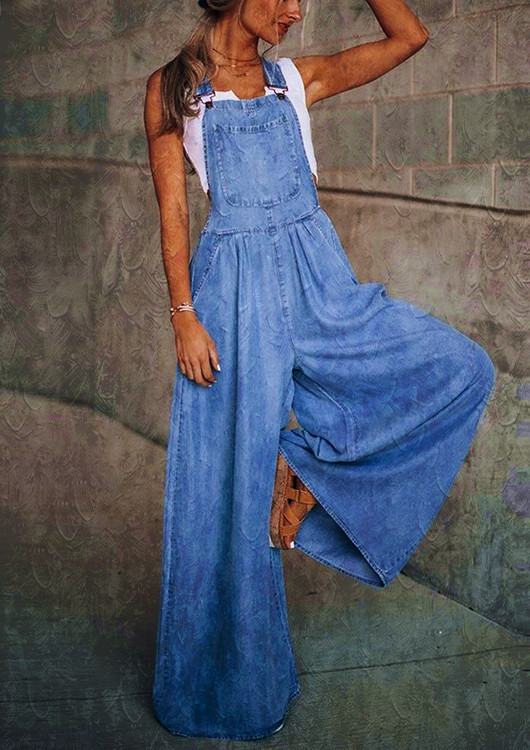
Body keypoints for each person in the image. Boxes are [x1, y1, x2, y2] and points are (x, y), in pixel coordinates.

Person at [144, 0, 495, 741]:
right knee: (222, 487)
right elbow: (173, 213)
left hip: (318, 286)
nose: (297, 10)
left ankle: (301, 481)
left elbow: (410, 36)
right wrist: (184, 316)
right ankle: (230, 692)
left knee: (461, 370)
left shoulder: (295, 82)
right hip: (230, 298)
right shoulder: (173, 89)